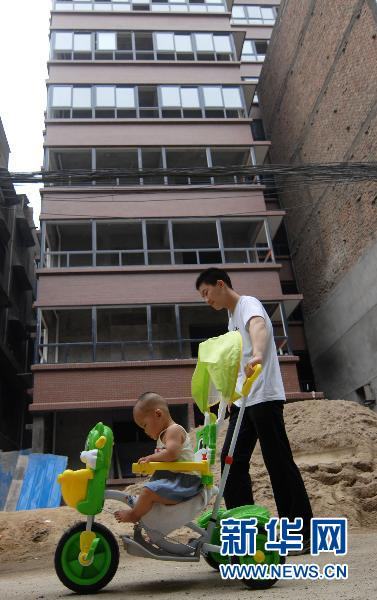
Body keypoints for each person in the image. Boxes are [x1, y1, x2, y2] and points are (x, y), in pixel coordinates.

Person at [195, 267, 313, 553]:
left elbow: (258, 327)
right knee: (230, 461)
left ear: (220, 284)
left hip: (264, 397)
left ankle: (301, 533)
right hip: (243, 401)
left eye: (206, 293)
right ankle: (245, 528)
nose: (206, 300)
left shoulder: (248, 304)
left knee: (278, 461)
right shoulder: (230, 320)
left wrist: (259, 353)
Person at [114, 392, 202, 524]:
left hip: (185, 481)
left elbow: (172, 454)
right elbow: (167, 461)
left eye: (144, 425)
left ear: (158, 414)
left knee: (148, 492)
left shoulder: (173, 431)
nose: (145, 431)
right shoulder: (165, 435)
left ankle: (134, 515)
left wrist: (151, 458)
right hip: (175, 478)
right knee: (148, 489)